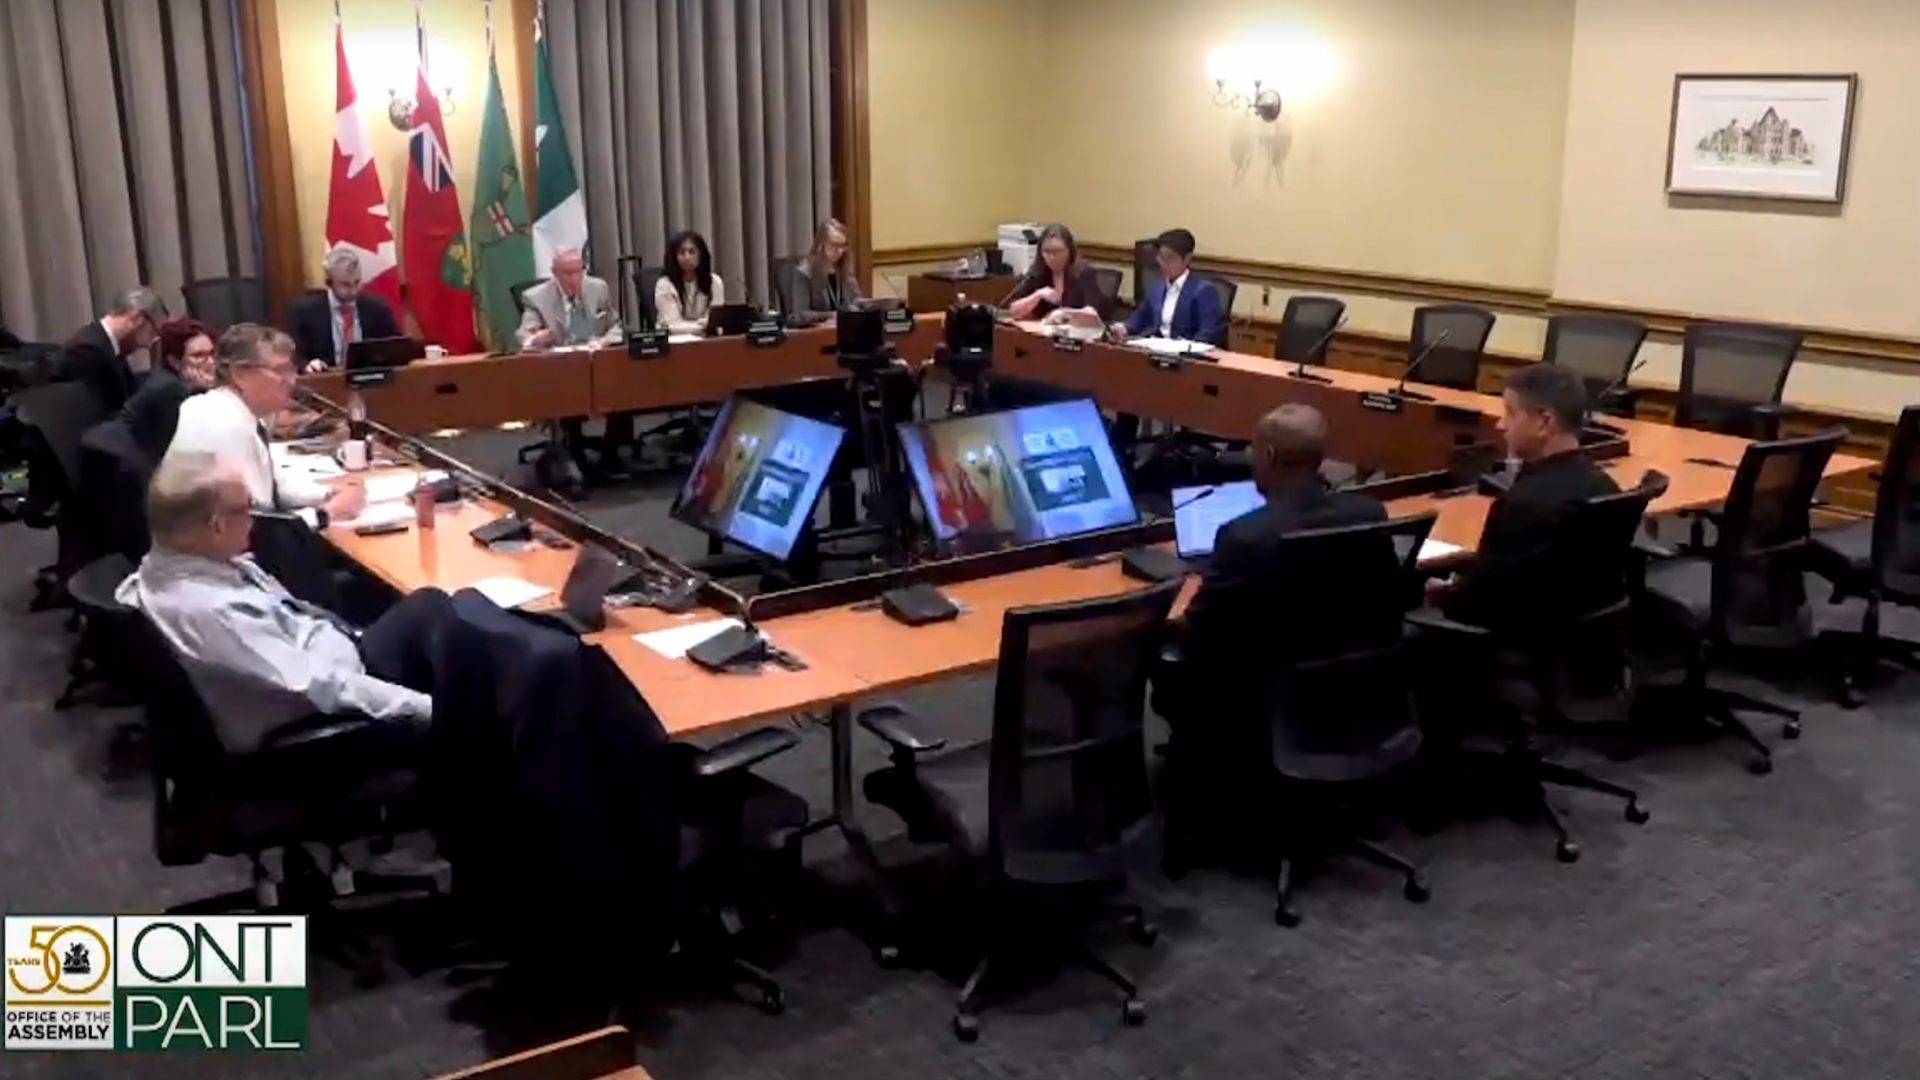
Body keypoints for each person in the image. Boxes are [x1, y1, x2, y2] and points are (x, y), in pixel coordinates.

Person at [116, 453, 447, 753]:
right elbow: (322, 686)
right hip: (316, 725)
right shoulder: (211, 611)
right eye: (246, 508)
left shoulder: (169, 566)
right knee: (460, 647)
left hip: (326, 656)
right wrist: (428, 709)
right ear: (216, 526)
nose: (255, 520)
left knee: (431, 607)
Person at [1181, 404, 1388, 663]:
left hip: (1260, 689)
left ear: (1268, 455)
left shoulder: (1244, 535)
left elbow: (1198, 628)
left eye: (1252, 450)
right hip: (1353, 681)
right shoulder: (1370, 514)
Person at [1428, 363, 1619, 630]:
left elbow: (1480, 602)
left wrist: (1441, 592)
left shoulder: (1523, 505)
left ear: (1544, 422)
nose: (1500, 424)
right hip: (1582, 642)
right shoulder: (1607, 487)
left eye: (1510, 413)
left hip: (1514, 640)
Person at [161, 323, 365, 524]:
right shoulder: (225, 425)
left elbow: (273, 488)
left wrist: (329, 493)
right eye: (280, 370)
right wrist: (327, 514)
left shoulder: (230, 410)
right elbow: (254, 528)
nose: (291, 380)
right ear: (240, 374)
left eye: (291, 369)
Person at [517, 248, 631, 476]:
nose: (574, 278)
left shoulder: (598, 288)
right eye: (567, 273)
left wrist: (606, 340)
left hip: (597, 360)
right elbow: (524, 336)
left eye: (578, 271)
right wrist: (538, 338)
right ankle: (575, 452)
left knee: (623, 387)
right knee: (569, 390)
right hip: (562, 368)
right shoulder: (536, 297)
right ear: (554, 273)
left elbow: (616, 325)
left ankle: (611, 454)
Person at [288, 247, 404, 372]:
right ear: (329, 282)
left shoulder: (377, 309)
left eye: (357, 282)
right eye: (345, 285)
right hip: (326, 381)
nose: (354, 291)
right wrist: (307, 365)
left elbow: (397, 348)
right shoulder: (305, 311)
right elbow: (293, 354)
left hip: (370, 381)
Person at [120, 318, 219, 460]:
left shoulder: (176, 383)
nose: (210, 362)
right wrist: (206, 391)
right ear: (174, 361)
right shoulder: (170, 389)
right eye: (198, 356)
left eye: (211, 353)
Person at [56, 286, 167, 412]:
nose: (148, 345)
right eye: (152, 333)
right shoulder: (85, 351)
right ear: (137, 319)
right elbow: (99, 415)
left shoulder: (112, 349)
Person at [1111, 229, 1228, 347]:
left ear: (1187, 259)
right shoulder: (1156, 288)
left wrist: (1184, 349)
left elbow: (1207, 334)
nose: (1163, 263)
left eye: (1170, 258)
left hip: (1184, 357)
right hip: (1155, 352)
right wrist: (1123, 328)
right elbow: (1139, 318)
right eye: (1161, 257)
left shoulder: (1203, 291)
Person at [1004, 223, 1110, 325]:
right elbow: (1014, 311)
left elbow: (1092, 313)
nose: (1051, 257)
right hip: (1044, 335)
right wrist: (1037, 295)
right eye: (1046, 252)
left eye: (1057, 251)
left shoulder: (1084, 273)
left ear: (1069, 250)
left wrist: (1065, 313)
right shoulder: (1038, 272)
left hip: (1076, 338)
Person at [780, 218, 863, 318]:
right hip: (817, 331)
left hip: (846, 328)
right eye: (834, 245)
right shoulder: (805, 273)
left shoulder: (845, 270)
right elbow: (801, 313)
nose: (840, 251)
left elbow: (857, 302)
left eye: (842, 246)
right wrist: (833, 315)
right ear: (820, 245)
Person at [655, 230, 727, 335]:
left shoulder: (715, 282)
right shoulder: (664, 285)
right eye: (682, 252)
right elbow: (672, 325)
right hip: (675, 342)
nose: (687, 257)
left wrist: (708, 326)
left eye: (692, 252)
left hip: (707, 341)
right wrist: (703, 326)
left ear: (701, 255)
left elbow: (714, 321)